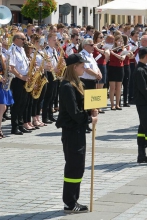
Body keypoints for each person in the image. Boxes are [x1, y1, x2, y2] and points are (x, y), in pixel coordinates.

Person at [55, 53, 98, 213]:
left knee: (78, 166)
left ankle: (74, 199)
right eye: (82, 66)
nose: (84, 68)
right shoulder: (67, 86)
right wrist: (89, 119)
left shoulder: (77, 83)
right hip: (71, 131)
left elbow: (82, 105)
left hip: (78, 130)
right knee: (74, 166)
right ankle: (69, 202)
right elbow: (73, 112)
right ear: (74, 67)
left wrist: (92, 107)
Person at [108, 35, 125, 110]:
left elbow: (122, 58)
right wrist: (110, 52)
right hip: (112, 68)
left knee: (119, 87)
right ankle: (112, 104)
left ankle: (117, 104)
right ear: (115, 41)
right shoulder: (111, 48)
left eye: (121, 41)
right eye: (119, 41)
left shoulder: (123, 50)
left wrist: (114, 53)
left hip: (120, 68)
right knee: (112, 87)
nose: (120, 43)